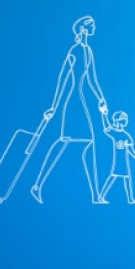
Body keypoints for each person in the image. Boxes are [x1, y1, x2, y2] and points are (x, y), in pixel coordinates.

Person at [30, 15, 109, 204]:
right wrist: (53, 107)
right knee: (65, 141)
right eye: (91, 25)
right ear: (83, 29)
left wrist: (101, 99)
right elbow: (63, 79)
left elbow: (92, 79)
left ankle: (95, 194)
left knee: (86, 144)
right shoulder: (75, 51)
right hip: (73, 103)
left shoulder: (88, 50)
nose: (94, 28)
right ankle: (37, 185)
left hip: (81, 101)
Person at [99, 110, 135, 204]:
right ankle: (101, 196)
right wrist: (104, 114)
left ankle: (130, 198)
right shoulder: (114, 132)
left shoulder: (126, 135)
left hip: (124, 160)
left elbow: (130, 148)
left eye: (126, 118)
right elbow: (106, 127)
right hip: (117, 160)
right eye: (124, 118)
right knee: (113, 176)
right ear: (117, 120)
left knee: (126, 178)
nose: (126, 120)